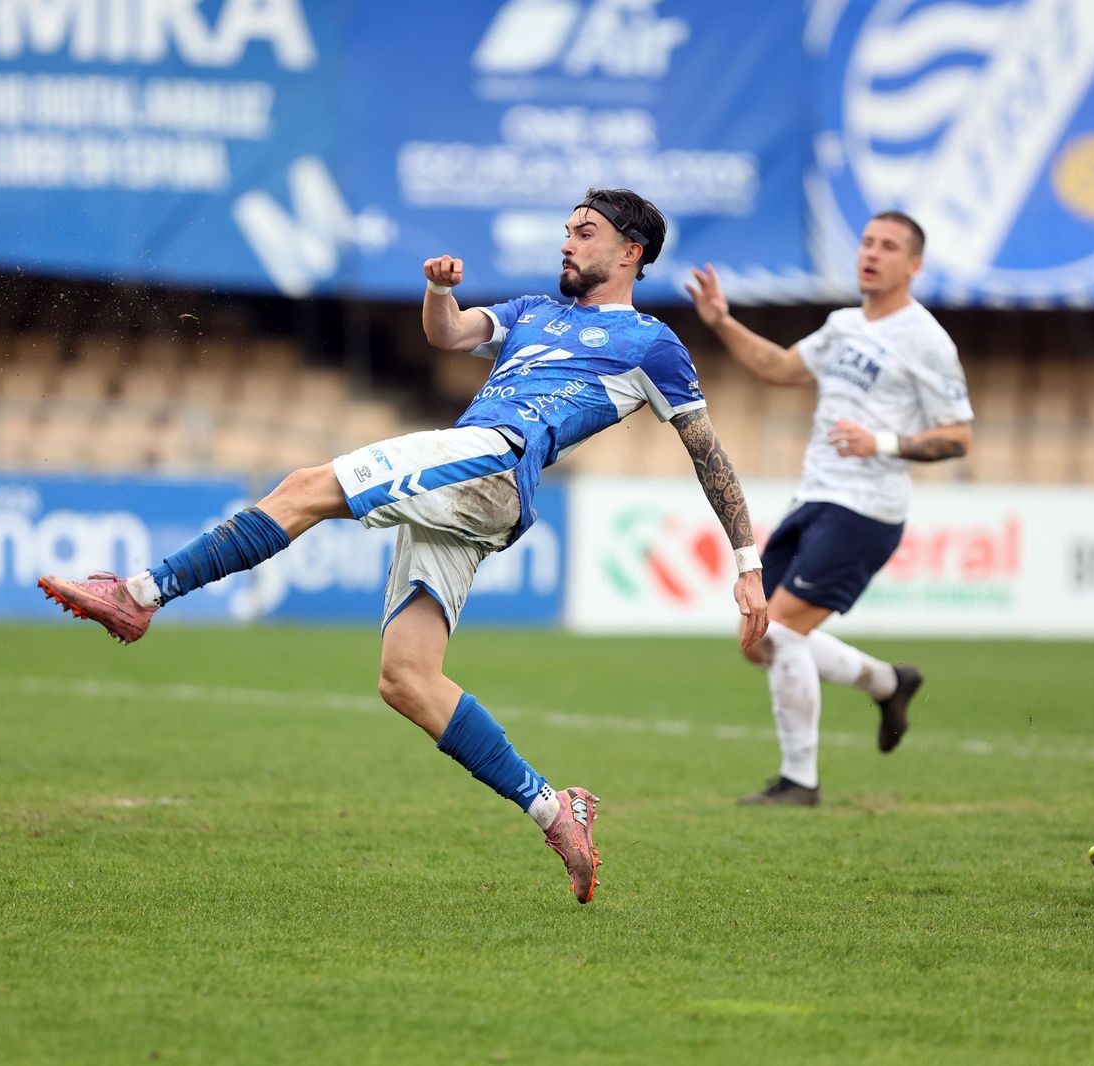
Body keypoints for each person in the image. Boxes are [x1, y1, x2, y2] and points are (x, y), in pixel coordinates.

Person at [39, 188, 769, 904]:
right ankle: (556, 811)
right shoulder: (533, 312)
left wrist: (747, 564)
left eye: (584, 231)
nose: (566, 242)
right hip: (477, 488)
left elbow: (707, 452)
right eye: (567, 229)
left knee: (301, 488)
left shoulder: (651, 344)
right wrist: (434, 290)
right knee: (406, 680)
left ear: (630, 252)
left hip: (492, 455)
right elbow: (448, 334)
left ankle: (139, 595)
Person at [684, 211, 973, 806]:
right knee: (756, 639)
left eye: (889, 246)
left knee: (782, 632)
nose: (872, 253)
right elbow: (779, 367)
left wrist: (883, 443)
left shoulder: (926, 339)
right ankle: (889, 682)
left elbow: (959, 436)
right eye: (868, 241)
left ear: (913, 265)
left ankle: (800, 782)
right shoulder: (842, 325)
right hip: (813, 498)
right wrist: (722, 321)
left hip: (866, 509)